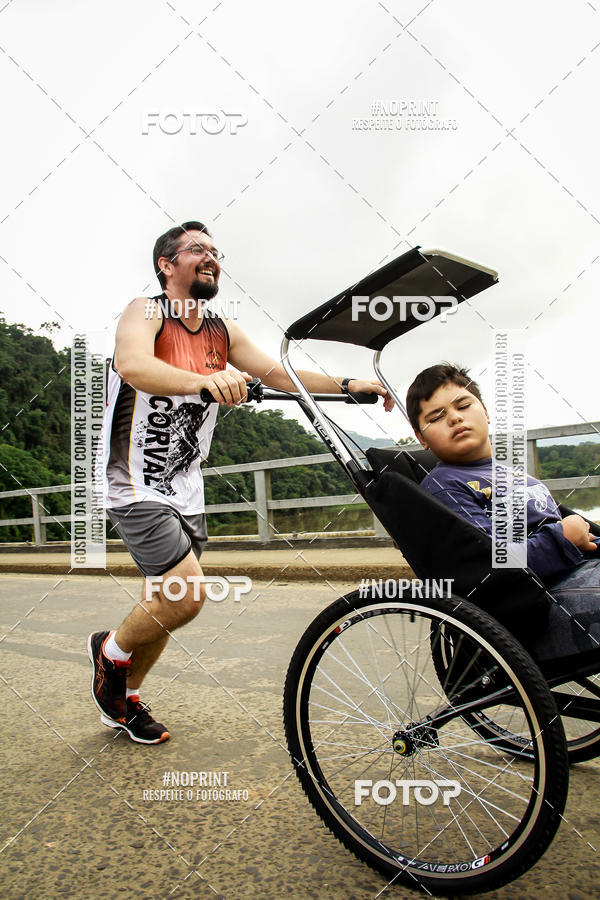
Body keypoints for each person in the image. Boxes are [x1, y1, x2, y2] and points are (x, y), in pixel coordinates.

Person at [88, 221, 394, 744]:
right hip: (135, 481)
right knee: (184, 596)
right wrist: (203, 381)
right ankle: (110, 653)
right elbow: (133, 365)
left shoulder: (221, 331)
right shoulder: (146, 312)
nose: (211, 257)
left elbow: (279, 375)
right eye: (196, 250)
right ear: (166, 265)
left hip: (186, 487)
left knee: (164, 605)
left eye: (215, 251)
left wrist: (347, 386)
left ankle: (123, 699)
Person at [405, 362, 600, 660]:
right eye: (437, 417)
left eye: (463, 405)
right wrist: (562, 539)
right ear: (421, 438)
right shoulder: (445, 486)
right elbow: (490, 566)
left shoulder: (513, 475)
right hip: (540, 605)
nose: (455, 418)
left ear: (485, 411)